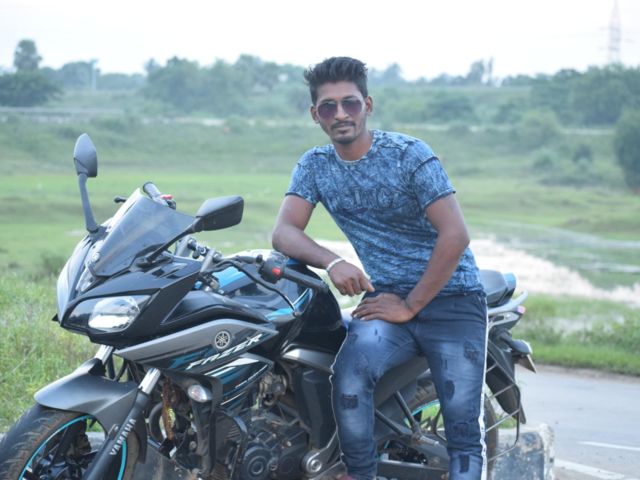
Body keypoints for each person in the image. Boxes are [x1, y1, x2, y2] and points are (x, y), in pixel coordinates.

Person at [271, 56, 488, 480]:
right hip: (385, 300)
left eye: (349, 103)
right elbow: (283, 232)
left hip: (453, 298)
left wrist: (410, 305)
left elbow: (455, 235)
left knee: (462, 428)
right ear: (315, 115)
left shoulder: (409, 154)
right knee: (349, 377)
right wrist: (333, 261)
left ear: (367, 105)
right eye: (328, 106)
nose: (340, 114)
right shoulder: (315, 165)